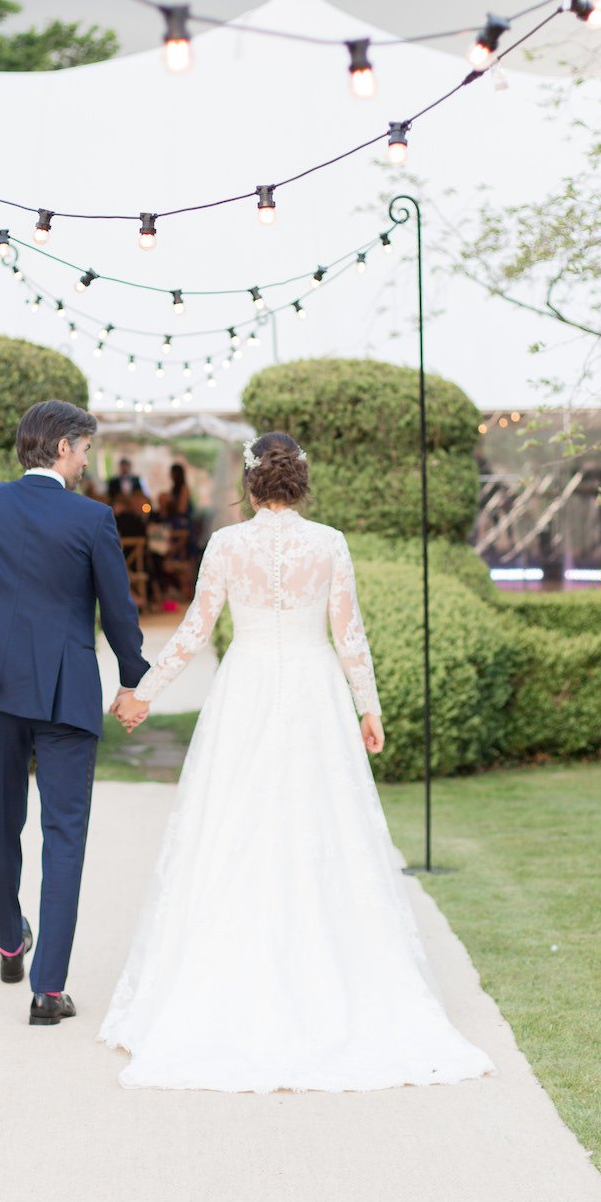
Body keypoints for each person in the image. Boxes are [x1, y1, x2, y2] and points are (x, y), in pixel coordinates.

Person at [98, 431, 496, 1093]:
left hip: (248, 688)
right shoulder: (329, 543)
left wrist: (142, 694)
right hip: (315, 693)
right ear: (300, 483)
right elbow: (350, 635)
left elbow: (196, 629)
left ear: (251, 487)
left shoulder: (228, 544)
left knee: (235, 825)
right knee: (321, 822)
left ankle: (224, 980)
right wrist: (369, 708)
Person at [0, 400, 149, 1026]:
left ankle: (11, 940)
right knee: (64, 837)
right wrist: (132, 679)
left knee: (1, 823)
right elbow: (119, 611)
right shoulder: (93, 518)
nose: (89, 459)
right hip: (68, 696)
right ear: (65, 447)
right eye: (88, 448)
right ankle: (48, 992)